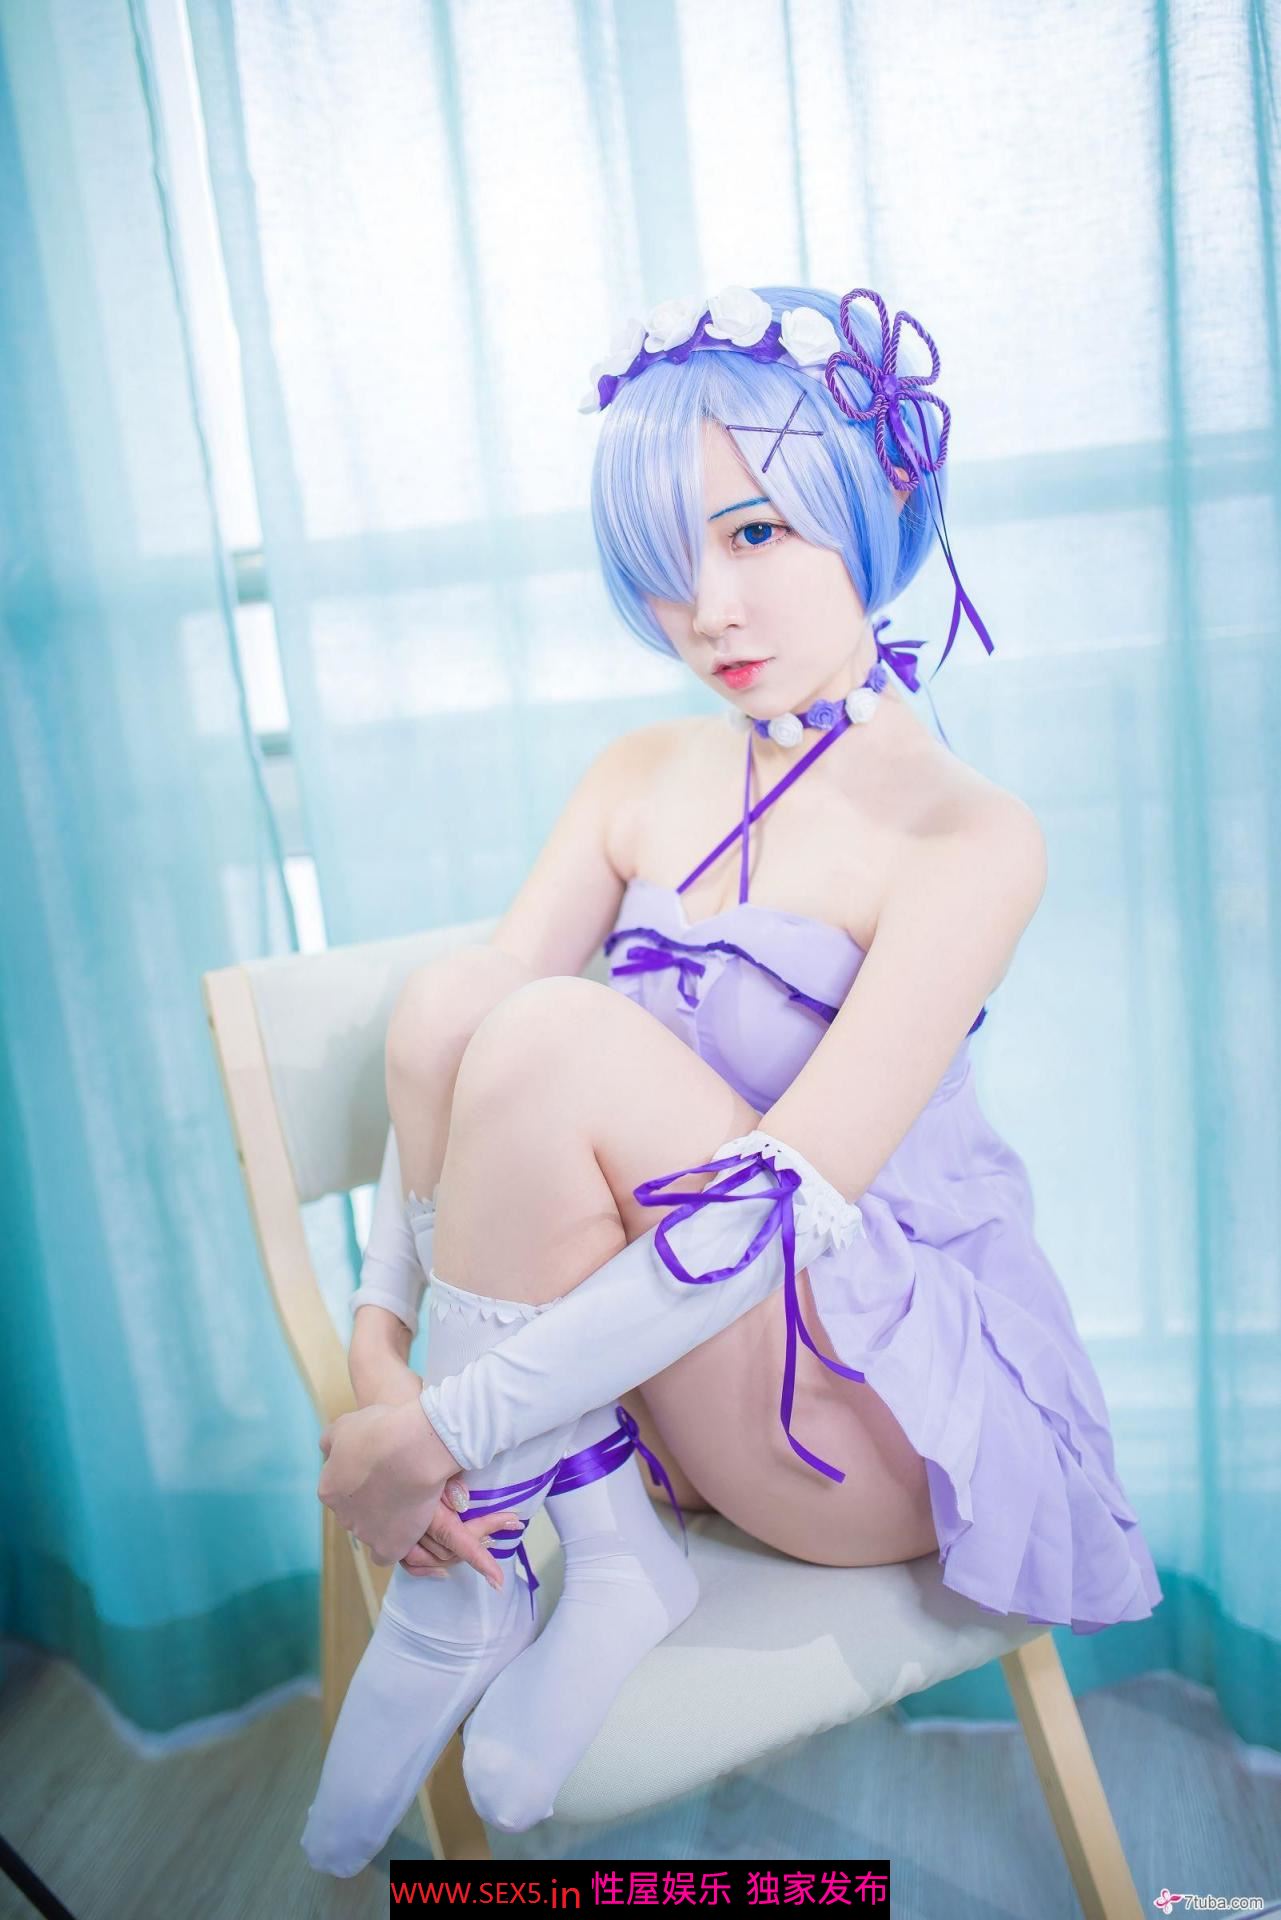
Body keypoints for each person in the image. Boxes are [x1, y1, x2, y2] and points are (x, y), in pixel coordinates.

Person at [302, 283, 1163, 1873]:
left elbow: (776, 1209)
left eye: (754, 532)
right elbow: (452, 1056)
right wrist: (377, 1363)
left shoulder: (966, 836)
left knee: (548, 1032)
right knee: (458, 1001)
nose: (706, 610)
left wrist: (437, 1431)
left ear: (876, 495)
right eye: (660, 563)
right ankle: (582, 1550)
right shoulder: (637, 773)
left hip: (864, 1414)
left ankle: (473, 1575)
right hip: (648, 1403)